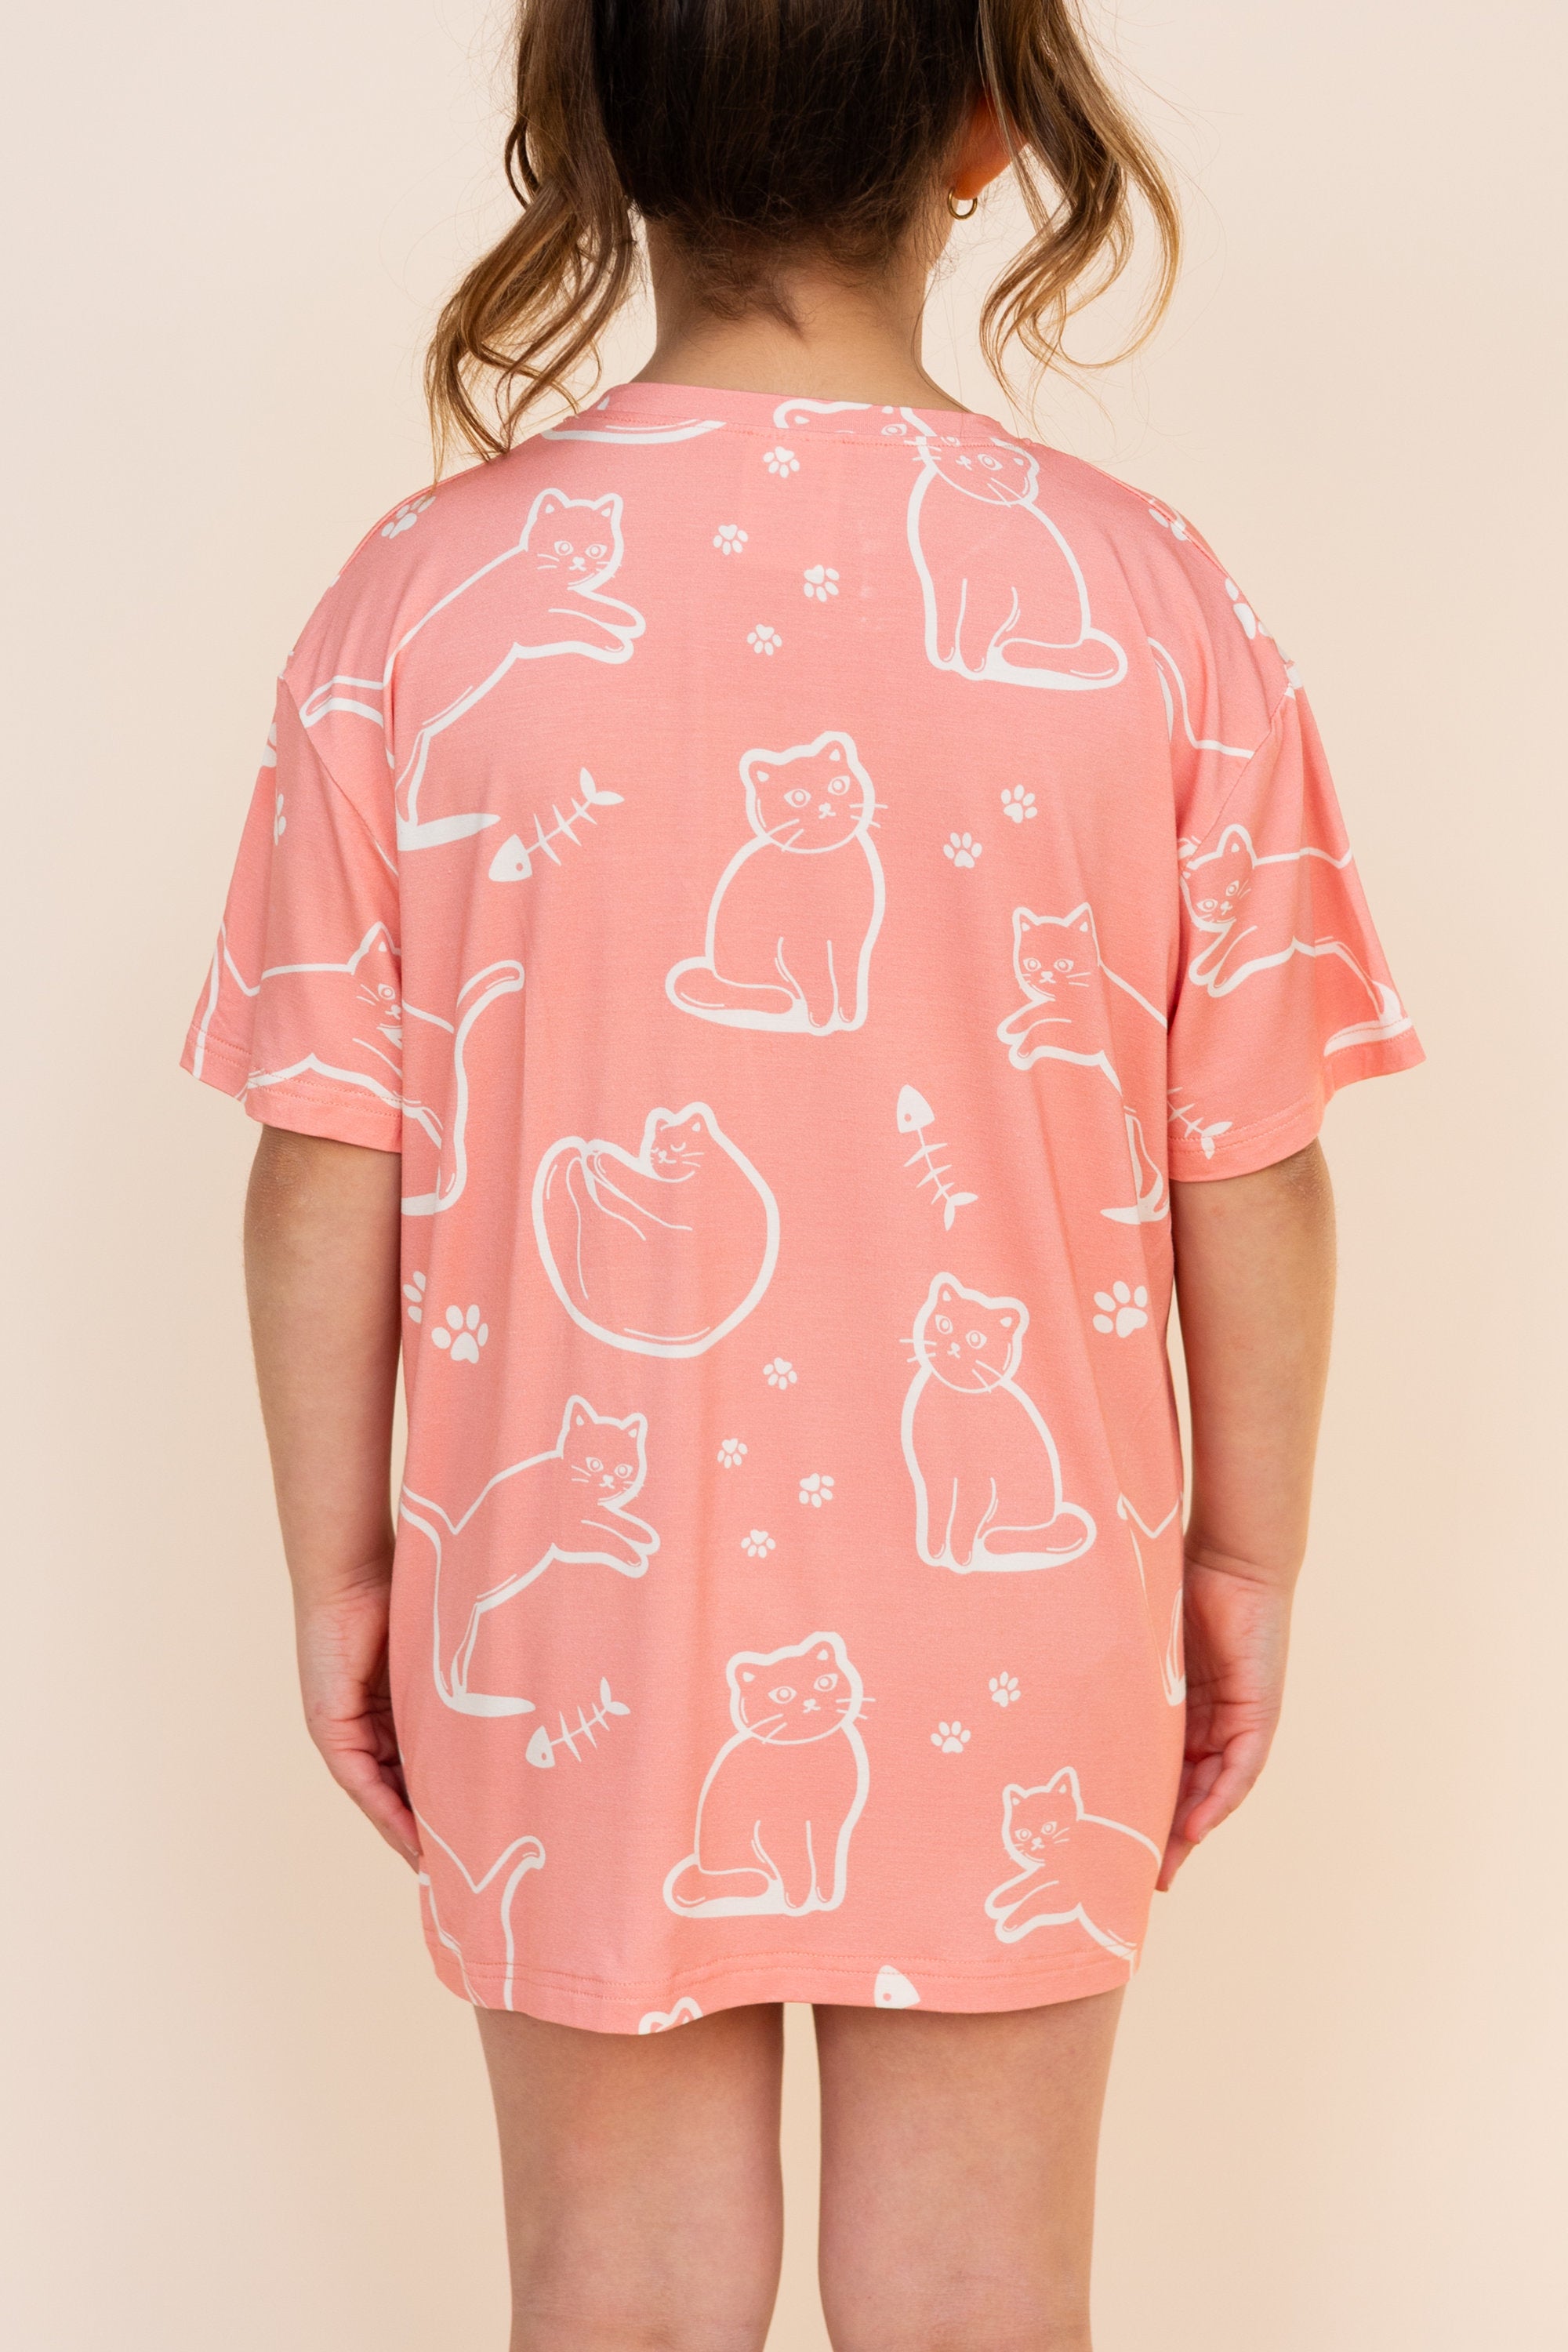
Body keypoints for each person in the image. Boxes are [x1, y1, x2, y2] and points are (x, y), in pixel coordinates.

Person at [183, 3, 1422, 2343]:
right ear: (987, 125)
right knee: (979, 2299)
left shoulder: (419, 606)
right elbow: (1251, 1158)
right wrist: (1243, 1557)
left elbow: (323, 1154)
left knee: (617, 2295)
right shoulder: (1154, 602)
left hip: (567, 1593)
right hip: (1028, 1606)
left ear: (594, 117)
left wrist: (349, 1567)